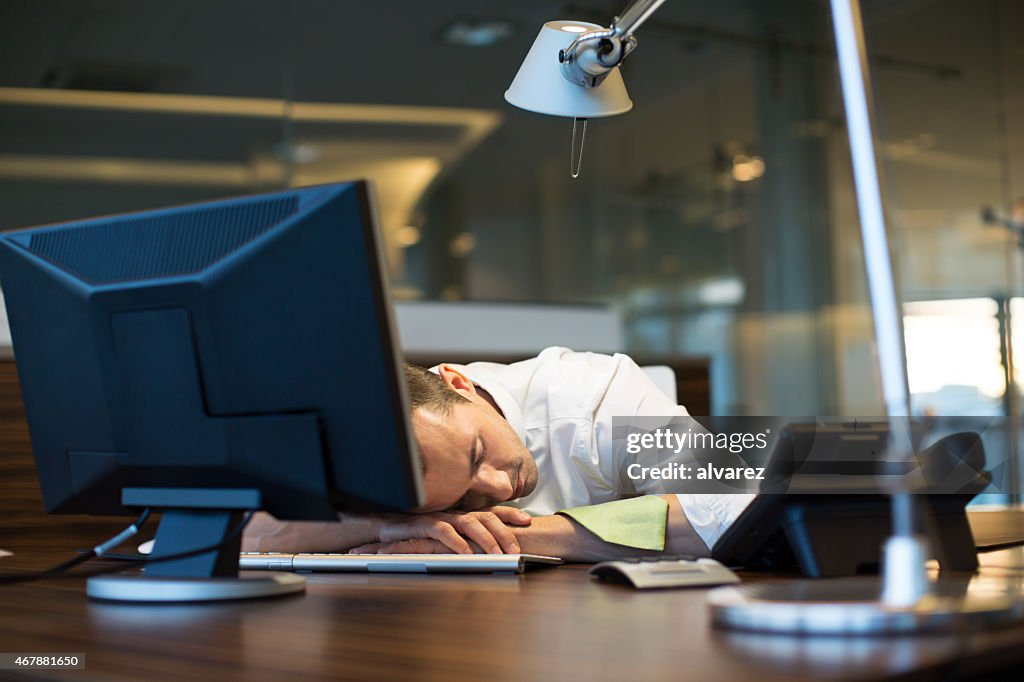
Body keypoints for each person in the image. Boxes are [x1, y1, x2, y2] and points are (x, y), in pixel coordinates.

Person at [243, 347, 754, 561]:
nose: (497, 487)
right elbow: (240, 529)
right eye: (460, 501)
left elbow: (736, 503)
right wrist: (382, 526)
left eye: (476, 454)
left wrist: (507, 536)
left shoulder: (596, 392)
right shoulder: (363, 467)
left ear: (458, 383)